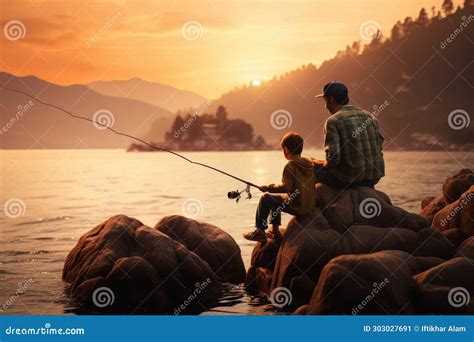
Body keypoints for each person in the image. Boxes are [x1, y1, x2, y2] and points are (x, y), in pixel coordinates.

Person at [243, 132, 316, 242]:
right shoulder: (308, 163)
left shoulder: (290, 166)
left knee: (266, 198)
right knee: (277, 198)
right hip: (309, 205)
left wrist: (268, 187)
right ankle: (275, 231)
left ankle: (260, 231)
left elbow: (286, 188)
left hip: (297, 205)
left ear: (286, 150)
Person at [313, 81, 385, 188]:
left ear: (331, 99)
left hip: (349, 179)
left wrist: (317, 164)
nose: (325, 106)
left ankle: (310, 202)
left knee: (308, 168)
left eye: (325, 101)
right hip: (374, 177)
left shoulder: (333, 121)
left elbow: (334, 159)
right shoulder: (369, 116)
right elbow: (380, 143)